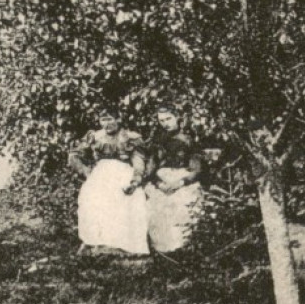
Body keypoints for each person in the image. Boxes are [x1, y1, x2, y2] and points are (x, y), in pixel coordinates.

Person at [66, 109, 149, 256]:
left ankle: (121, 246)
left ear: (119, 119)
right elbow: (74, 155)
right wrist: (86, 171)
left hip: (123, 173)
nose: (107, 124)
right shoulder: (95, 136)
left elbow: (138, 160)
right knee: (92, 201)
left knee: (127, 202)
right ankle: (94, 242)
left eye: (110, 119)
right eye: (103, 120)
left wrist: (135, 181)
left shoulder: (131, 137)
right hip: (100, 175)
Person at [144, 106, 204, 252]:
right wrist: (159, 184)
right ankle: (162, 250)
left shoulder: (189, 139)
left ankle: (183, 248)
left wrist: (180, 183)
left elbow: (196, 168)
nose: (165, 123)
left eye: (169, 118)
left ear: (178, 117)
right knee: (155, 208)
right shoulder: (157, 141)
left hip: (183, 180)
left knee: (181, 205)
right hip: (161, 182)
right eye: (162, 120)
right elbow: (150, 169)